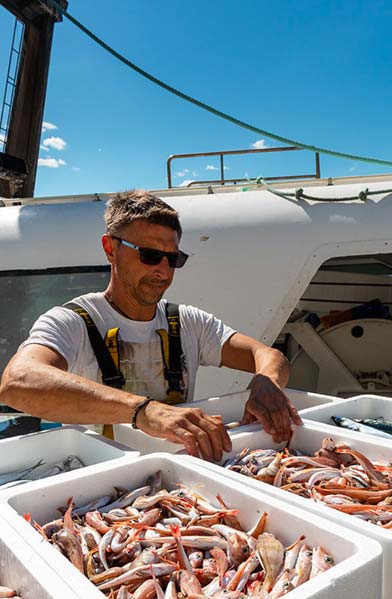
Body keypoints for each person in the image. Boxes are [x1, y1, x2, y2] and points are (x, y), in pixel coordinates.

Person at [0, 190, 301, 461]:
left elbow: (270, 357)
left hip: (180, 478)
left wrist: (267, 381)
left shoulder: (189, 322)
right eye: (150, 255)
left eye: (173, 259)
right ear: (110, 249)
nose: (163, 270)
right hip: (97, 481)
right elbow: (18, 383)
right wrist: (144, 412)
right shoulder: (72, 322)